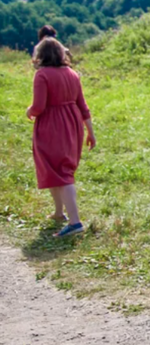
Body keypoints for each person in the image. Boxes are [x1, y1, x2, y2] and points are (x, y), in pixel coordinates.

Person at [26, 37, 95, 238]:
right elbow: (83, 105)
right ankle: (58, 213)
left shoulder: (42, 75)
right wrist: (90, 131)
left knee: (59, 170)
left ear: (40, 55)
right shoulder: (73, 74)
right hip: (73, 124)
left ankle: (75, 222)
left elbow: (39, 107)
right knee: (56, 168)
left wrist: (28, 111)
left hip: (52, 125)